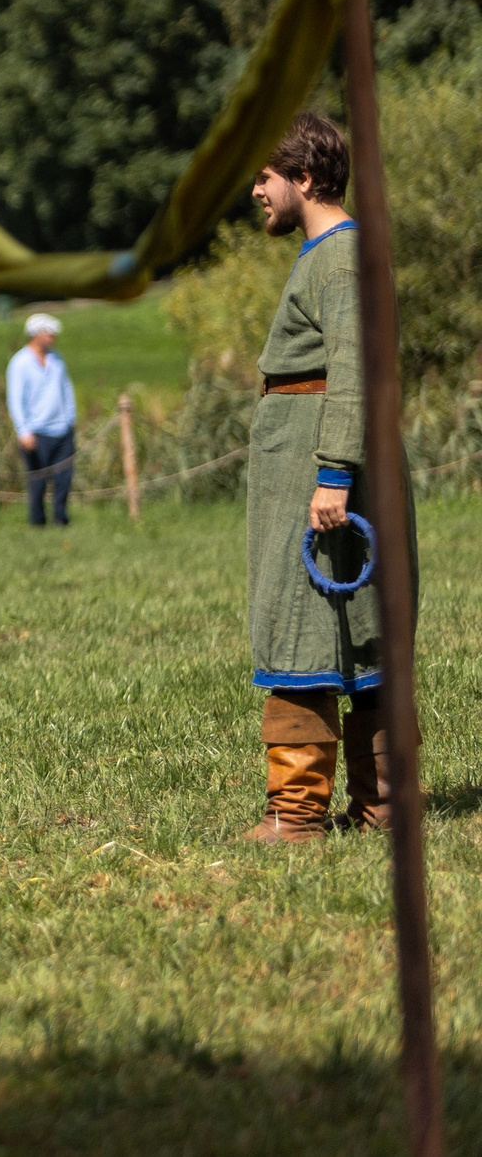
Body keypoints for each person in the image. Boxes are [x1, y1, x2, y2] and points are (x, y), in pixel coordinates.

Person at [241, 113, 410, 842]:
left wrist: (334, 474)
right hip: (312, 461)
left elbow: (353, 368)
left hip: (324, 466)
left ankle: (299, 812)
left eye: (265, 177)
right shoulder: (328, 254)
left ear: (305, 177)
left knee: (306, 627)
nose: (256, 191)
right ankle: (380, 808)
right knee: (351, 629)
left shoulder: (339, 256)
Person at [5, 313, 77, 526]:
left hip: (62, 430)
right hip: (36, 432)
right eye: (49, 333)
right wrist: (23, 431)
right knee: (37, 481)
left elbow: (66, 389)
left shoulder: (57, 359)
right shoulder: (20, 363)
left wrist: (71, 420)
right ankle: (38, 522)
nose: (53, 337)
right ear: (36, 335)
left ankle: (61, 519)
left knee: (64, 478)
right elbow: (15, 400)